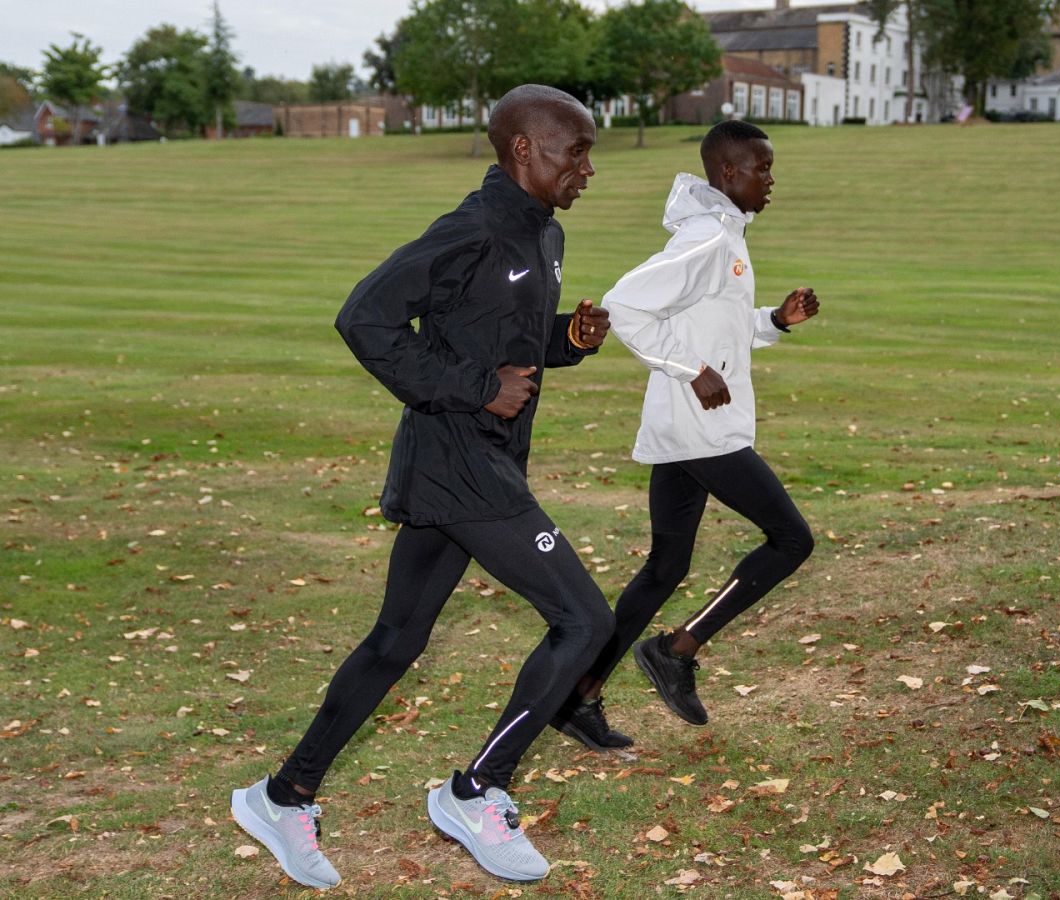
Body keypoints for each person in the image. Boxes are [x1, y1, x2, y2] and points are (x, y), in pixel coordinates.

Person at [230, 84, 613, 888]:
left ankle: (284, 794)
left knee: (398, 641)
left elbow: (505, 339)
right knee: (584, 620)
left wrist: (566, 343)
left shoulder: (544, 236)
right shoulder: (470, 229)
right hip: (461, 463)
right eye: (573, 151)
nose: (587, 168)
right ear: (522, 151)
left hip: (480, 464)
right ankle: (477, 791)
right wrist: (476, 387)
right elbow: (363, 319)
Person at [551, 120, 819, 753]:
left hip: (688, 429)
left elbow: (716, 330)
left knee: (666, 565)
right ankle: (677, 648)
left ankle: (577, 694)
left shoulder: (724, 236)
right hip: (703, 430)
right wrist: (688, 371)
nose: (771, 180)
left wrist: (775, 321)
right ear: (728, 173)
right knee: (791, 540)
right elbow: (623, 306)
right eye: (762, 168)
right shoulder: (706, 239)